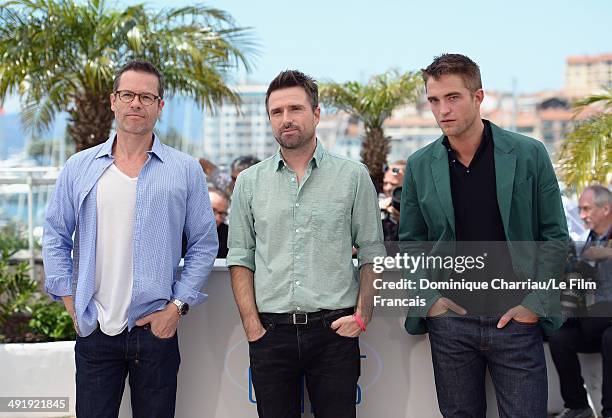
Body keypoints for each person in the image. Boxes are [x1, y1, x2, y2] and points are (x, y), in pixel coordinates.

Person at [42, 60, 218, 418]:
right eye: (127, 94)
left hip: (155, 330)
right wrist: (69, 301)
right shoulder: (80, 167)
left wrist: (176, 308)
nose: (136, 103)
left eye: (146, 96)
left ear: (159, 106)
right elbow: (55, 235)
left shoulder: (184, 170)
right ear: (113, 101)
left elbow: (204, 244)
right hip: (94, 328)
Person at [399, 54, 569, 417]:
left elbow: (554, 235)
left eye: (453, 97)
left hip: (516, 320)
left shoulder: (528, 154)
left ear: (478, 97)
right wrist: (431, 301)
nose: (442, 109)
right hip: (451, 324)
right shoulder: (418, 165)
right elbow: (411, 242)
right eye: (434, 100)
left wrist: (534, 305)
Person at [226, 70, 385, 418]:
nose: (286, 119)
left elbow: (373, 253)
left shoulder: (353, 177)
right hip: (270, 334)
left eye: (295, 109)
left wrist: (362, 315)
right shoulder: (250, 183)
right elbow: (240, 257)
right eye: (276, 112)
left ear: (316, 113)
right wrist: (252, 325)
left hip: (335, 333)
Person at [549, 185, 612, 418]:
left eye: (587, 209)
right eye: (580, 210)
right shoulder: (583, 242)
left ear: (606, 209)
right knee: (558, 337)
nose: (582, 216)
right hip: (593, 320)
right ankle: (578, 406)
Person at [380, 161, 405, 241]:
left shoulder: (418, 210)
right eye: (385, 183)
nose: (387, 188)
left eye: (394, 184)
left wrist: (403, 221)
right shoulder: (377, 205)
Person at [210, 187, 230, 258]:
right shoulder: (179, 232)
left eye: (222, 214)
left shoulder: (229, 236)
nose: (217, 219)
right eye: (213, 211)